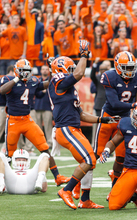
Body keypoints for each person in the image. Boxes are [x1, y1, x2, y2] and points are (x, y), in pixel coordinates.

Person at [48, 40, 118, 210]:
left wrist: (102, 119)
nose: (72, 72)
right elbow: (79, 74)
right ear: (60, 70)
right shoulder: (57, 81)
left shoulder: (70, 89)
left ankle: (85, 199)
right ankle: (67, 190)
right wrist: (84, 55)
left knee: (90, 161)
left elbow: (81, 114)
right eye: (69, 69)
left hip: (73, 128)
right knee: (88, 159)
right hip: (65, 129)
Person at [0, 59, 69, 187]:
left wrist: (51, 69)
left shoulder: (33, 81)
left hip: (27, 119)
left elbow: (50, 83)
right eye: (23, 71)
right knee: (9, 153)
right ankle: (2, 181)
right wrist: (16, 79)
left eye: (27, 71)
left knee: (44, 148)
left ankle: (57, 176)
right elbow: (2, 90)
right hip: (13, 120)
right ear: (16, 71)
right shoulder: (8, 80)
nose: (26, 74)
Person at [94, 51, 137, 192]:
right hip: (108, 117)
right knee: (95, 155)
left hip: (125, 119)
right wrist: (134, 106)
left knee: (121, 157)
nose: (130, 71)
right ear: (117, 66)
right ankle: (81, 190)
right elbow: (115, 103)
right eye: (126, 67)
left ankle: (114, 189)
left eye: (131, 67)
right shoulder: (109, 76)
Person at [34, 65, 53, 148]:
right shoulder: (37, 81)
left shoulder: (51, 81)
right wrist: (43, 92)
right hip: (37, 107)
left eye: (46, 69)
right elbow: (36, 93)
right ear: (40, 71)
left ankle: (50, 143)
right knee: (38, 128)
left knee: (48, 127)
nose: (45, 71)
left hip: (47, 107)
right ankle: (39, 143)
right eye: (43, 69)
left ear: (48, 71)